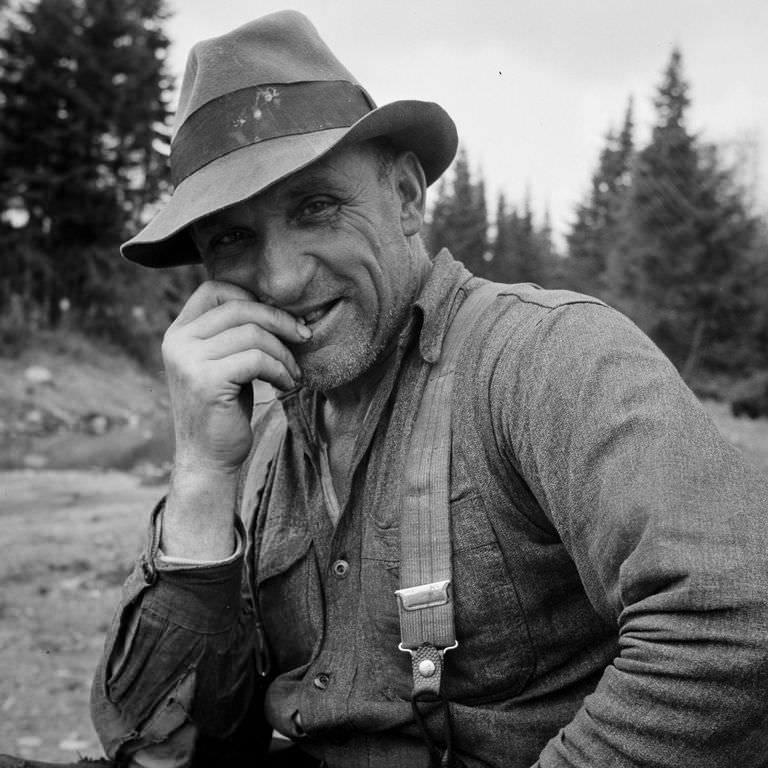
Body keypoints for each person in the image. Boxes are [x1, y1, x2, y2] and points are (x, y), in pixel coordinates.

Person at [87, 10, 768, 768]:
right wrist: (201, 479)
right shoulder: (262, 440)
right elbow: (164, 746)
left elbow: (735, 620)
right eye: (231, 239)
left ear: (406, 197)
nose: (279, 278)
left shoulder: (546, 357)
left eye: (316, 207)